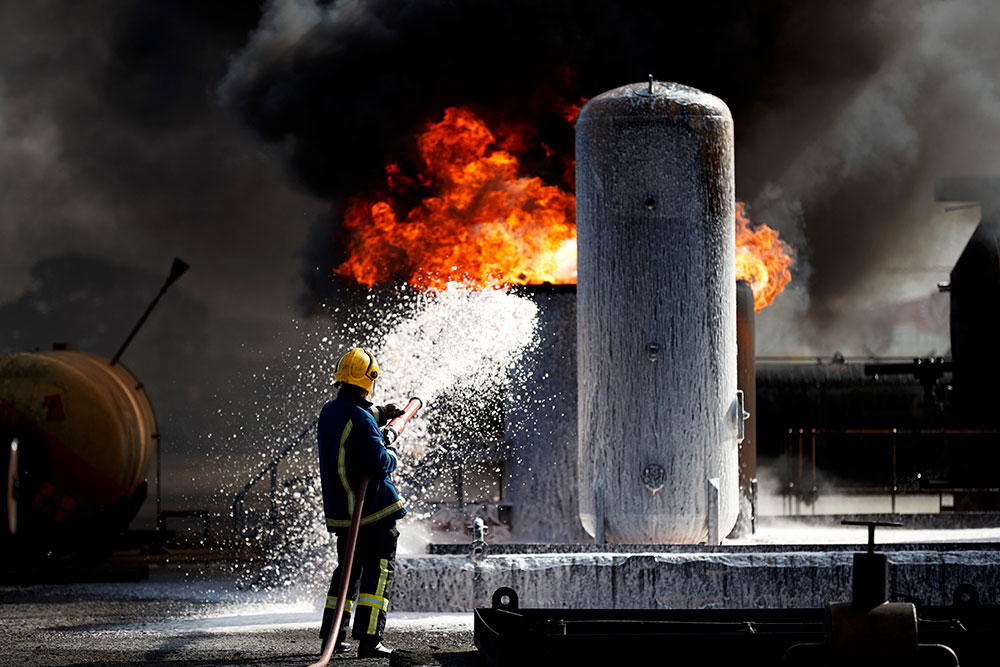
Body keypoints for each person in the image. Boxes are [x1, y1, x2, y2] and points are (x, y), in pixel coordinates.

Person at [317, 347, 406, 658]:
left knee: (347, 573)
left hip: (345, 514)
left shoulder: (330, 411)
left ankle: (333, 637)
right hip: (373, 512)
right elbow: (379, 463)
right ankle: (370, 640)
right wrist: (391, 451)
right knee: (378, 573)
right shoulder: (360, 418)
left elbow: (354, 420)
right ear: (370, 379)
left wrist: (381, 413)